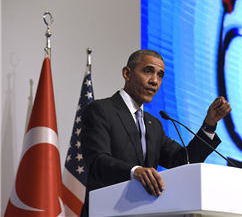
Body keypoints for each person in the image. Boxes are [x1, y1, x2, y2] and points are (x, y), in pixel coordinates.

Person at [80, 49, 232, 217]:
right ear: (127, 73)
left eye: (160, 75)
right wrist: (134, 171)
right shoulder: (101, 110)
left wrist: (209, 124)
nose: (154, 81)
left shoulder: (153, 124)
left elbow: (184, 161)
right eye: (148, 71)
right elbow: (97, 161)